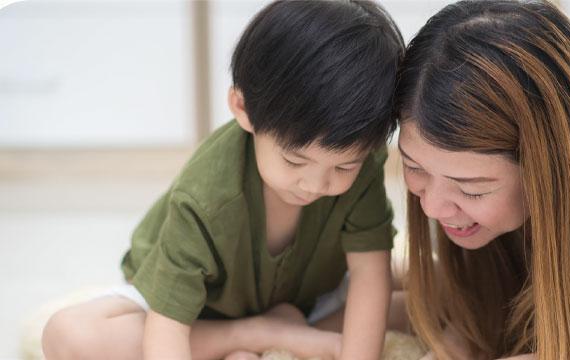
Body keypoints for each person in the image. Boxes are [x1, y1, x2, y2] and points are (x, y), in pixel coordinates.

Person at [42, 1, 404, 359]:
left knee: (424, 289)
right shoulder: (207, 194)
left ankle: (282, 330)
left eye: (343, 168)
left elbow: (369, 272)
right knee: (69, 334)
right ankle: (254, 334)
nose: (314, 184)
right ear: (243, 109)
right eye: (295, 160)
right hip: (191, 312)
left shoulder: (362, 158)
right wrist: (251, 335)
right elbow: (167, 327)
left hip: (298, 296)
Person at [393, 0, 570, 359]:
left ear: (543, 165)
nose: (432, 206)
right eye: (414, 167)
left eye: (472, 190)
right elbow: (497, 299)